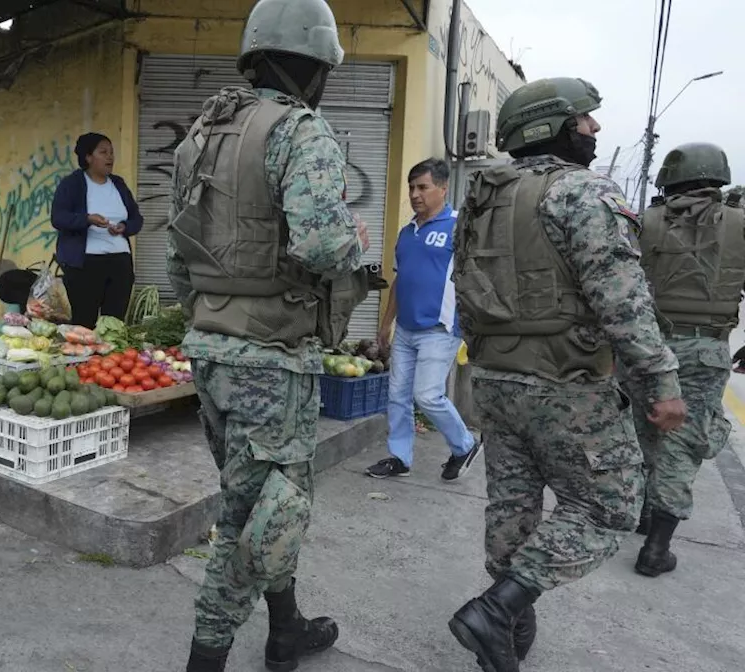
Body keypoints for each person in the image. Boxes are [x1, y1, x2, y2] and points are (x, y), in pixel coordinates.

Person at [448, 77, 687, 672]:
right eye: (585, 120)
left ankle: (502, 643)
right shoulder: (580, 193)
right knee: (609, 507)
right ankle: (499, 611)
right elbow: (623, 301)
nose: (595, 129)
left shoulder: (480, 200)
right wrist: (660, 379)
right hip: (566, 384)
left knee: (512, 507)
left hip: (496, 380)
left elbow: (465, 289)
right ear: (550, 126)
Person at [166, 1, 370, 670]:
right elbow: (319, 243)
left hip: (211, 349)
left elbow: (177, 260)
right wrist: (352, 244)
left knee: (259, 503)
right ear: (309, 67)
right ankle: (208, 657)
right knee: (256, 522)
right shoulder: (299, 130)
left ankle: (286, 627)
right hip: (272, 360)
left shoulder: (203, 133)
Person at [627, 143, 741, 578]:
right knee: (684, 442)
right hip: (707, 351)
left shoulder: (646, 223)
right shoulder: (740, 224)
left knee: (641, 432)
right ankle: (657, 548)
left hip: (646, 346)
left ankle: (638, 514)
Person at [366, 158, 483, 481]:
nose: (415, 194)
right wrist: (386, 323)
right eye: (411, 187)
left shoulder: (460, 227)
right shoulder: (407, 232)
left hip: (441, 328)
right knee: (397, 396)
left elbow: (478, 275)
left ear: (443, 189)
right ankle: (399, 457)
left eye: (423, 187)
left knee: (428, 395)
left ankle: (464, 444)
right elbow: (399, 281)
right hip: (406, 328)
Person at [50, 132, 144, 328]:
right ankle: (85, 359)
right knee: (84, 324)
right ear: (88, 157)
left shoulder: (118, 184)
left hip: (120, 263)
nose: (110, 157)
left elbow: (137, 219)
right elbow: (58, 218)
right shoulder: (72, 184)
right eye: (103, 152)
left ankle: (110, 358)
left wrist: (124, 227)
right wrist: (87, 219)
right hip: (85, 265)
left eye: (111, 152)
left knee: (114, 324)